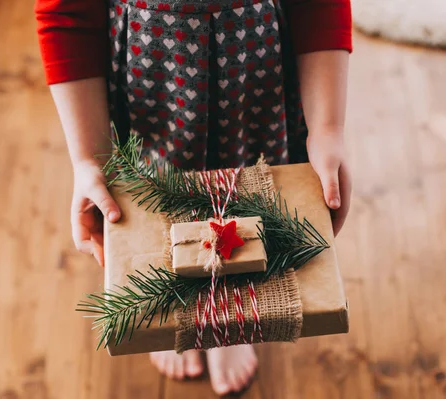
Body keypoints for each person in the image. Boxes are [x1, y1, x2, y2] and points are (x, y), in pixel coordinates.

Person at [35, 0, 352, 395]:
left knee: (250, 197)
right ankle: (184, 314)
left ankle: (232, 321)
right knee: (156, 200)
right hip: (149, 78)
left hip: (253, 77)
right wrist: (87, 158)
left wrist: (327, 129)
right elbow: (68, 14)